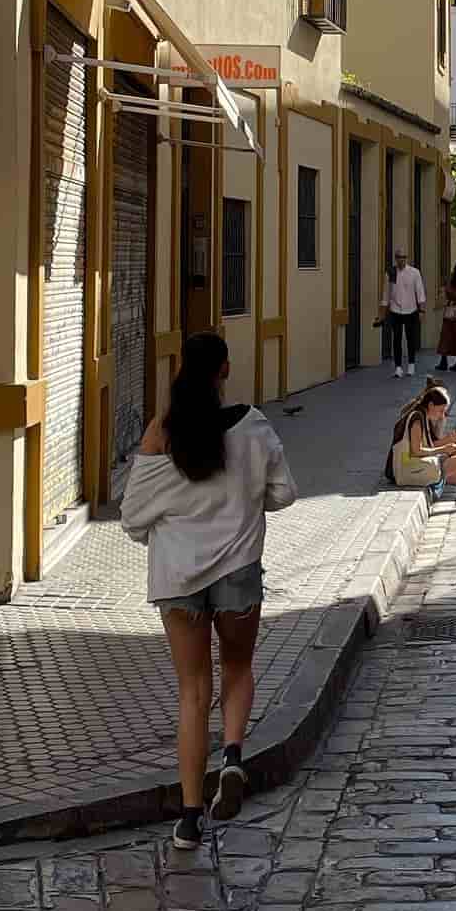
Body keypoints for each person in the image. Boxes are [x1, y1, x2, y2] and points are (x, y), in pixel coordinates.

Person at [121, 333, 297, 850]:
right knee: (237, 669)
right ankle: (234, 758)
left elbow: (133, 519)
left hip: (176, 578)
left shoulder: (163, 433)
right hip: (239, 571)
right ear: (224, 370)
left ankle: (189, 818)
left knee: (192, 693)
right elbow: (284, 492)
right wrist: (244, 498)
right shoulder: (253, 425)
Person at [380, 249, 426, 377]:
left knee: (411, 338)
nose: (401, 259)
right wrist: (382, 314)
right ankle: (398, 367)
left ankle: (411, 364)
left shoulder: (414, 273)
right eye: (399, 257)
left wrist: (422, 310)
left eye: (404, 257)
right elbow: (386, 294)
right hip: (395, 310)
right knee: (397, 339)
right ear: (396, 258)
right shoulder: (391, 272)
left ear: (407, 258)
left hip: (411, 310)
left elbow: (420, 293)